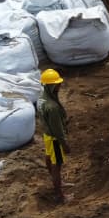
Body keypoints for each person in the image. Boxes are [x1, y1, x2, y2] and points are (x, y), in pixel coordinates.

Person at [36, 68, 70, 202]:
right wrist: (65, 144)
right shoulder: (52, 107)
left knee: (49, 157)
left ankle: (57, 183)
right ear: (50, 86)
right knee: (57, 164)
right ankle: (60, 195)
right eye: (57, 84)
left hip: (47, 135)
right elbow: (58, 130)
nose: (60, 86)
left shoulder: (41, 99)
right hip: (55, 139)